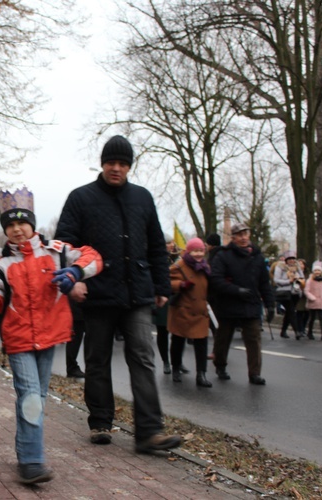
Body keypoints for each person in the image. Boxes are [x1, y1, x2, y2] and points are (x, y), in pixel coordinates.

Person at [0, 187, 103, 484]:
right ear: (5, 229)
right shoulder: (0, 266)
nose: (17, 229)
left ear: (32, 224)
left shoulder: (57, 251)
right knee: (30, 396)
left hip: (50, 337)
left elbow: (94, 258)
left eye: (22, 223)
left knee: (38, 397)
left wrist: (75, 272)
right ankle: (31, 461)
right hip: (19, 340)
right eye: (10, 225)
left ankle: (27, 453)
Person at [54, 134, 181, 454]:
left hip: (137, 293)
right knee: (97, 360)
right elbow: (64, 244)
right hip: (96, 293)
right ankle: (100, 422)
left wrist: (162, 286)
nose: (116, 168)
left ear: (129, 167)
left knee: (142, 357)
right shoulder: (81, 198)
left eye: (123, 164)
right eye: (111, 162)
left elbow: (155, 245)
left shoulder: (142, 198)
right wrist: (74, 280)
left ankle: (149, 432)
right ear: (102, 164)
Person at [209, 222, 274, 385]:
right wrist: (235, 290)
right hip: (228, 304)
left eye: (246, 234)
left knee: (253, 339)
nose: (244, 238)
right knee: (223, 338)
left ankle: (254, 373)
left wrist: (270, 304)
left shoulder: (257, 257)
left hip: (250, 304)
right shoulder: (223, 256)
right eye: (240, 235)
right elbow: (216, 279)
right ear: (233, 238)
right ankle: (220, 365)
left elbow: (264, 283)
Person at [167, 238, 212, 387]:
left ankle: (201, 374)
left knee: (201, 344)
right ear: (188, 251)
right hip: (183, 310)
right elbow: (167, 282)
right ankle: (176, 368)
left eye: (201, 251)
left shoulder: (205, 267)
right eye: (195, 251)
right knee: (178, 342)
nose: (198, 254)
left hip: (200, 311)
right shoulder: (179, 266)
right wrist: (181, 284)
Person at [151, 236, 183, 375]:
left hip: (177, 298)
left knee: (179, 333)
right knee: (163, 332)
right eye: (166, 243)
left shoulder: (179, 259)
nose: (169, 246)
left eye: (171, 243)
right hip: (162, 297)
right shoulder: (155, 258)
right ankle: (166, 362)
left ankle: (178, 362)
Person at [273, 251, 305, 339]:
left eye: (293, 259)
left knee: (289, 312)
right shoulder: (280, 267)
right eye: (289, 259)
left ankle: (283, 330)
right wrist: (288, 281)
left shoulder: (297, 267)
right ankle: (297, 331)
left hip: (295, 292)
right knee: (291, 310)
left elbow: (302, 278)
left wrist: (298, 279)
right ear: (286, 260)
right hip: (284, 293)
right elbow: (276, 280)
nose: (291, 261)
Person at [304, 261, 322, 341]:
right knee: (312, 318)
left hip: (321, 301)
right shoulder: (309, 280)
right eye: (315, 270)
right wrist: (312, 298)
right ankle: (310, 332)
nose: (317, 272)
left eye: (318, 270)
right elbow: (306, 291)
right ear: (313, 271)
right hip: (313, 302)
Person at [65, 300, 87, 378]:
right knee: (75, 338)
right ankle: (72, 367)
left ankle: (72, 367)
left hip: (83, 306)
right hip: (77, 306)